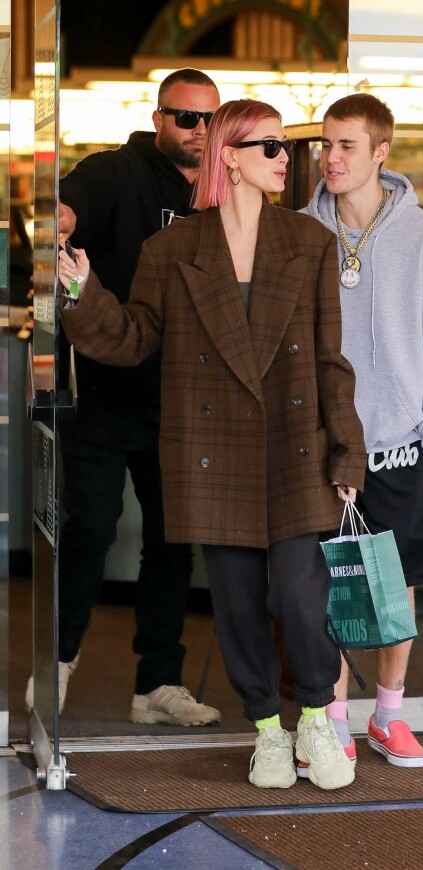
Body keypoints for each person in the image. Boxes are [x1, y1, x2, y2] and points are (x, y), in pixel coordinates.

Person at [57, 98, 368, 790]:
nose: (286, 159)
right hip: (213, 451)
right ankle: (266, 729)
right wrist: (83, 291)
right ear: (230, 156)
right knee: (234, 603)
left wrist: (347, 453)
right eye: (270, 149)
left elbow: (329, 361)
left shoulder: (309, 242)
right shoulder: (171, 250)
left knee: (298, 594)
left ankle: (315, 717)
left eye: (287, 148)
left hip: (296, 447)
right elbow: (135, 337)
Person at [25, 68, 222, 727]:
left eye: (208, 120)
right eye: (185, 118)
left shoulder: (222, 191)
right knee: (90, 527)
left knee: (172, 541)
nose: (198, 131)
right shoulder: (118, 171)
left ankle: (157, 685)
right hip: (106, 389)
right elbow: (69, 203)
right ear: (159, 117)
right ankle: (56, 659)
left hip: (180, 398)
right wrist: (57, 219)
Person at [302, 93, 423, 772]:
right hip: (320, 445)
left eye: (347, 145)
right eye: (326, 144)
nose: (331, 157)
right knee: (324, 584)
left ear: (381, 152)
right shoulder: (302, 231)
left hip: (402, 445)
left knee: (395, 583)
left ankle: (391, 714)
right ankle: (332, 720)